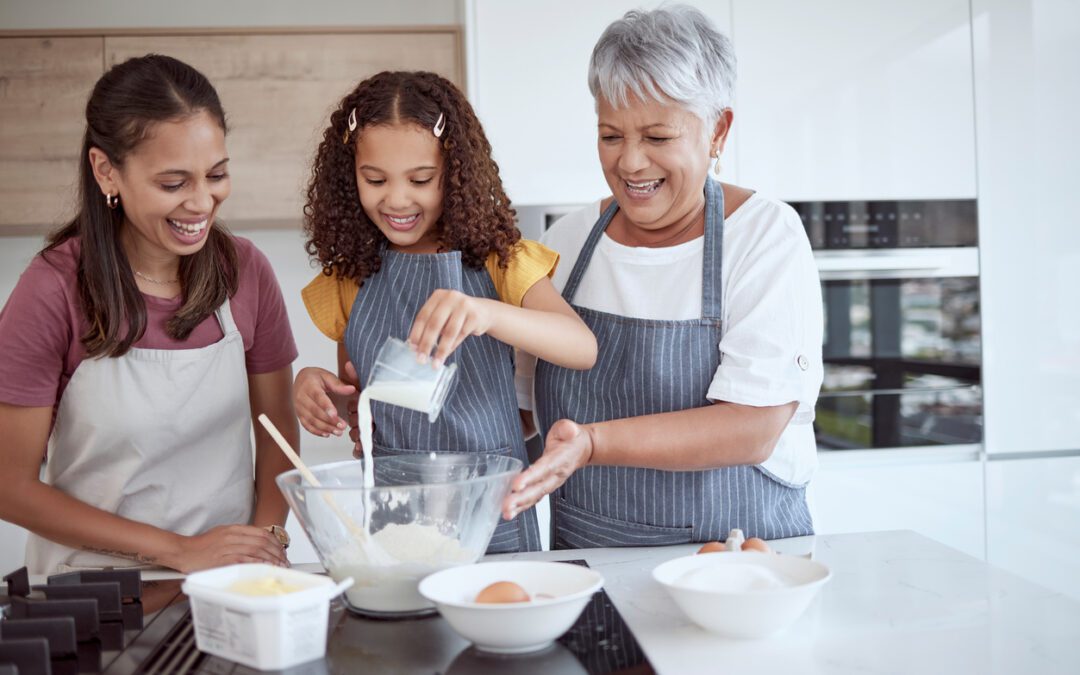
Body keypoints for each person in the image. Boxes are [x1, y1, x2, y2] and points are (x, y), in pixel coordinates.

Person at [505, 6, 825, 548]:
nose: (630, 163)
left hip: (733, 566)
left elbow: (753, 426)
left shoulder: (765, 236)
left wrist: (592, 443)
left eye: (656, 137)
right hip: (588, 566)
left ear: (718, 129)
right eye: (610, 136)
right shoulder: (565, 243)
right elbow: (518, 415)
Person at [0, 55, 299, 574]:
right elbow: (9, 486)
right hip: (91, 594)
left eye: (217, 174)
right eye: (173, 183)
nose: (202, 201)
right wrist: (179, 551)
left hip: (225, 584)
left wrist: (264, 541)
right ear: (105, 170)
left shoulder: (246, 271)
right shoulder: (52, 288)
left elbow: (278, 435)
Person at [293, 71, 597, 553]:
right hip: (395, 514)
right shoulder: (349, 278)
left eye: (420, 179)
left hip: (491, 510)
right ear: (350, 177)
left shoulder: (501, 261)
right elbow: (361, 409)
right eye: (375, 179)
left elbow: (581, 347)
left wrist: (487, 313)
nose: (396, 199)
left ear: (455, 173)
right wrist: (316, 389)